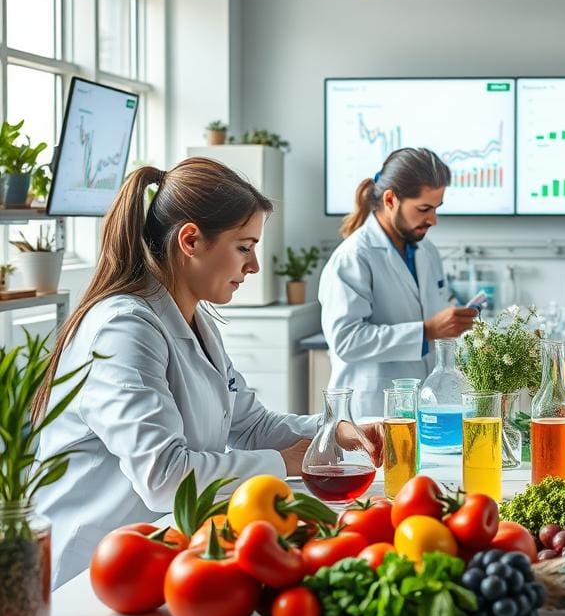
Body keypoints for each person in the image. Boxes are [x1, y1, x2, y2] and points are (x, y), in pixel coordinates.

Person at [34, 158, 380, 589]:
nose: (253, 265)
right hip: (89, 573)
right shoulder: (123, 328)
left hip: (157, 555)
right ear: (191, 240)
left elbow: (251, 424)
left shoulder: (196, 320)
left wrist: (335, 430)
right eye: (243, 246)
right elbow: (164, 478)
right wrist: (284, 461)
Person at [319, 148, 476, 418]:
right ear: (391, 199)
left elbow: (435, 308)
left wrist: (455, 323)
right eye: (424, 209)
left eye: (436, 209)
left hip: (422, 407)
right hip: (370, 411)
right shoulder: (353, 257)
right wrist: (426, 331)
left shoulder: (427, 252)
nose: (432, 220)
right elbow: (346, 340)